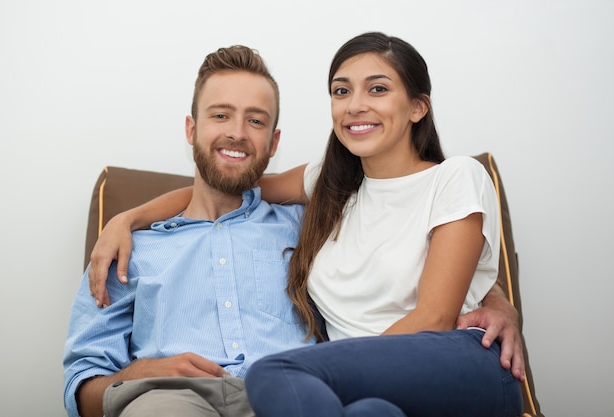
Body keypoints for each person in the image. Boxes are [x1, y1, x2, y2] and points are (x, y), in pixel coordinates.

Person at [241, 32, 523, 416]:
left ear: (417, 108)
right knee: (371, 412)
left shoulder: (456, 177)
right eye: (341, 91)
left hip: (457, 365)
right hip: (374, 386)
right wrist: (132, 217)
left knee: (275, 373)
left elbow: (435, 317)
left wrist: (502, 305)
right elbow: (231, 185)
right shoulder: (327, 185)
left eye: (377, 89)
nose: (354, 105)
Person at [63, 45, 316, 417]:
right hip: (169, 401)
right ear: (191, 129)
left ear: (273, 143)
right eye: (221, 115)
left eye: (256, 121)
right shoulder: (127, 250)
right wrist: (139, 374)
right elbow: (80, 393)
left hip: (288, 396)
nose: (237, 133)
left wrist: (130, 215)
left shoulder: (307, 225)